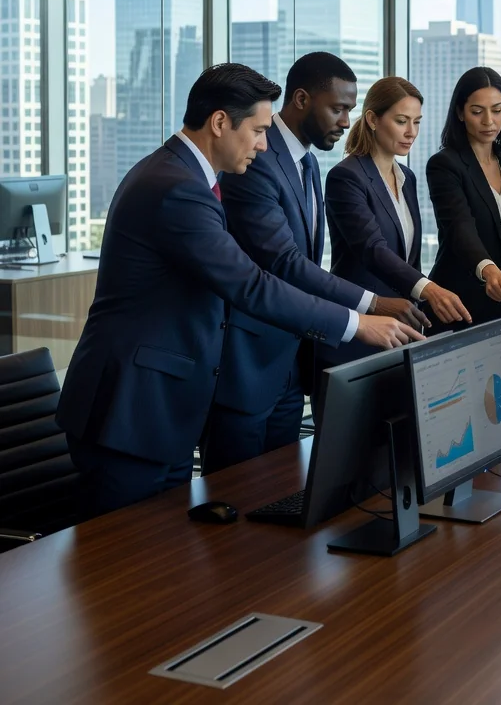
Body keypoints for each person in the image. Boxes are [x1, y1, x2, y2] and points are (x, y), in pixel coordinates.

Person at [56, 63, 422, 518]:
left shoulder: (184, 177)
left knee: (162, 560)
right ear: (220, 123)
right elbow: (251, 283)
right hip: (131, 409)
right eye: (258, 130)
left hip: (163, 410)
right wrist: (356, 323)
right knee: (124, 571)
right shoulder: (175, 189)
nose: (264, 144)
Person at [203, 54, 429, 475]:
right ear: (302, 99)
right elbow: (285, 263)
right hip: (248, 366)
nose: (346, 121)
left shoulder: (305, 164)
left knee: (284, 497)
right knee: (235, 504)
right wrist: (372, 304)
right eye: (338, 108)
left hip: (291, 363)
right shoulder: (257, 163)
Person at [325, 76, 472, 360]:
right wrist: (429, 289)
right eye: (402, 121)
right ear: (372, 119)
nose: (411, 132)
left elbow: (408, 259)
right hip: (359, 327)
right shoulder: (346, 177)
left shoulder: (408, 178)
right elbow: (373, 249)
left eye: (417, 122)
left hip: (400, 330)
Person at [425, 68, 501, 332]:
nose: (489, 121)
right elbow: (460, 229)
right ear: (460, 113)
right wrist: (489, 270)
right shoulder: (445, 164)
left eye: (497, 109)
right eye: (477, 111)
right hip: (462, 298)